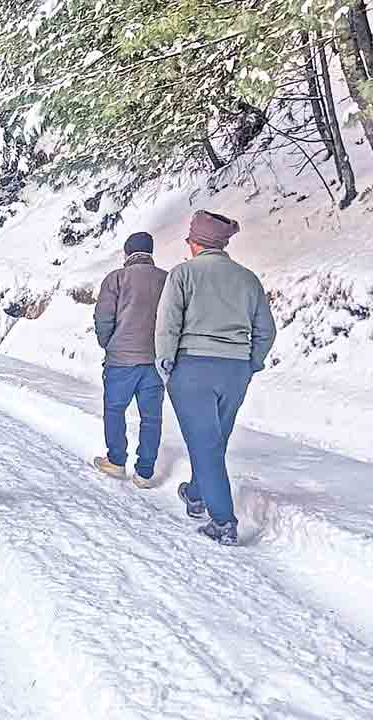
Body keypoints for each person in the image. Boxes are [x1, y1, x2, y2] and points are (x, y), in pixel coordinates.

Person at [155, 211, 277, 546]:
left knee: (205, 442)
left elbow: (168, 324)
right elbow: (266, 331)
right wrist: (251, 363)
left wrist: (165, 362)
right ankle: (196, 493)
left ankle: (223, 521)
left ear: (195, 243)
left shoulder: (183, 274)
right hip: (235, 370)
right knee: (213, 439)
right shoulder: (248, 279)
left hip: (192, 368)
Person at [92, 232, 168, 487]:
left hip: (121, 360)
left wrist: (109, 344)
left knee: (115, 410)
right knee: (151, 417)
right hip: (155, 360)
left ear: (128, 253)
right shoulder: (167, 280)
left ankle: (116, 461)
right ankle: (145, 472)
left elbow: (103, 318)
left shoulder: (117, 278)